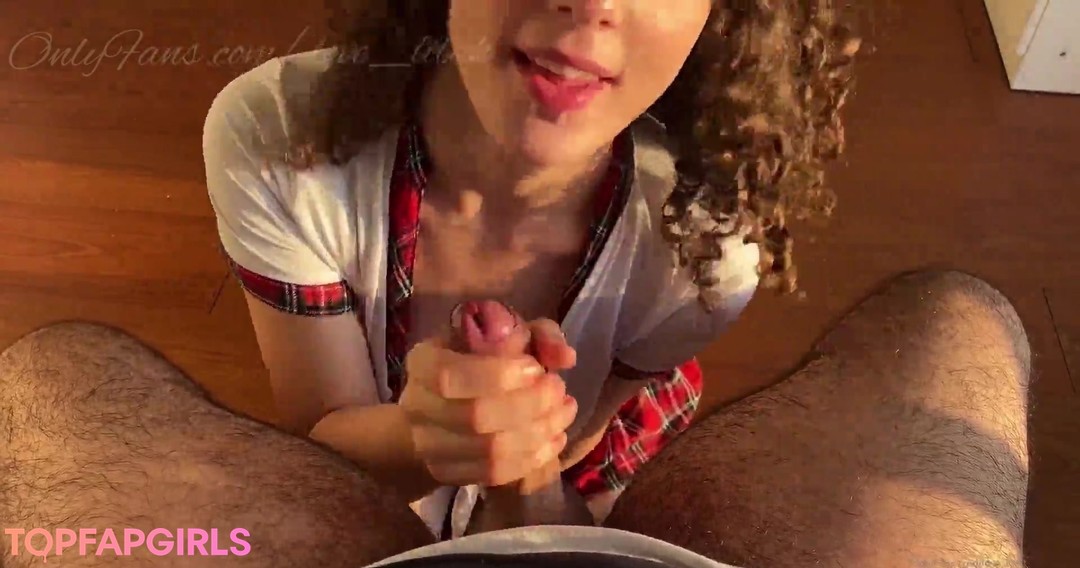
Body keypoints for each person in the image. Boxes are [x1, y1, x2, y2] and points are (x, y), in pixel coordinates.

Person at [201, 0, 859, 537]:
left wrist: (525, 465)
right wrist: (421, 440)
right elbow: (324, 443)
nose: (595, 6)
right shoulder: (280, 141)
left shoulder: (701, 255)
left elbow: (577, 448)